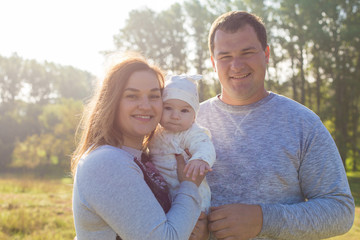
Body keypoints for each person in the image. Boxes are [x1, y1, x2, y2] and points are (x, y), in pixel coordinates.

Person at [196, 11, 355, 240]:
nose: (236, 65)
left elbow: (340, 210)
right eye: (225, 56)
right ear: (213, 62)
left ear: (266, 54)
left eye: (247, 52)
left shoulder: (303, 123)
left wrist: (263, 220)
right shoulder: (189, 122)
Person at [71, 53, 208, 240]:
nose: (145, 106)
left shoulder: (143, 158)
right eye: (132, 96)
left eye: (154, 96)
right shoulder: (106, 162)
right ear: (112, 102)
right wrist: (190, 185)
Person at [149, 74, 216, 213]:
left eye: (184, 110)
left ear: (194, 116)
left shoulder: (191, 132)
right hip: (165, 196)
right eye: (168, 108)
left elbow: (204, 144)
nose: (175, 116)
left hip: (194, 197)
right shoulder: (154, 131)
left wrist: (200, 158)